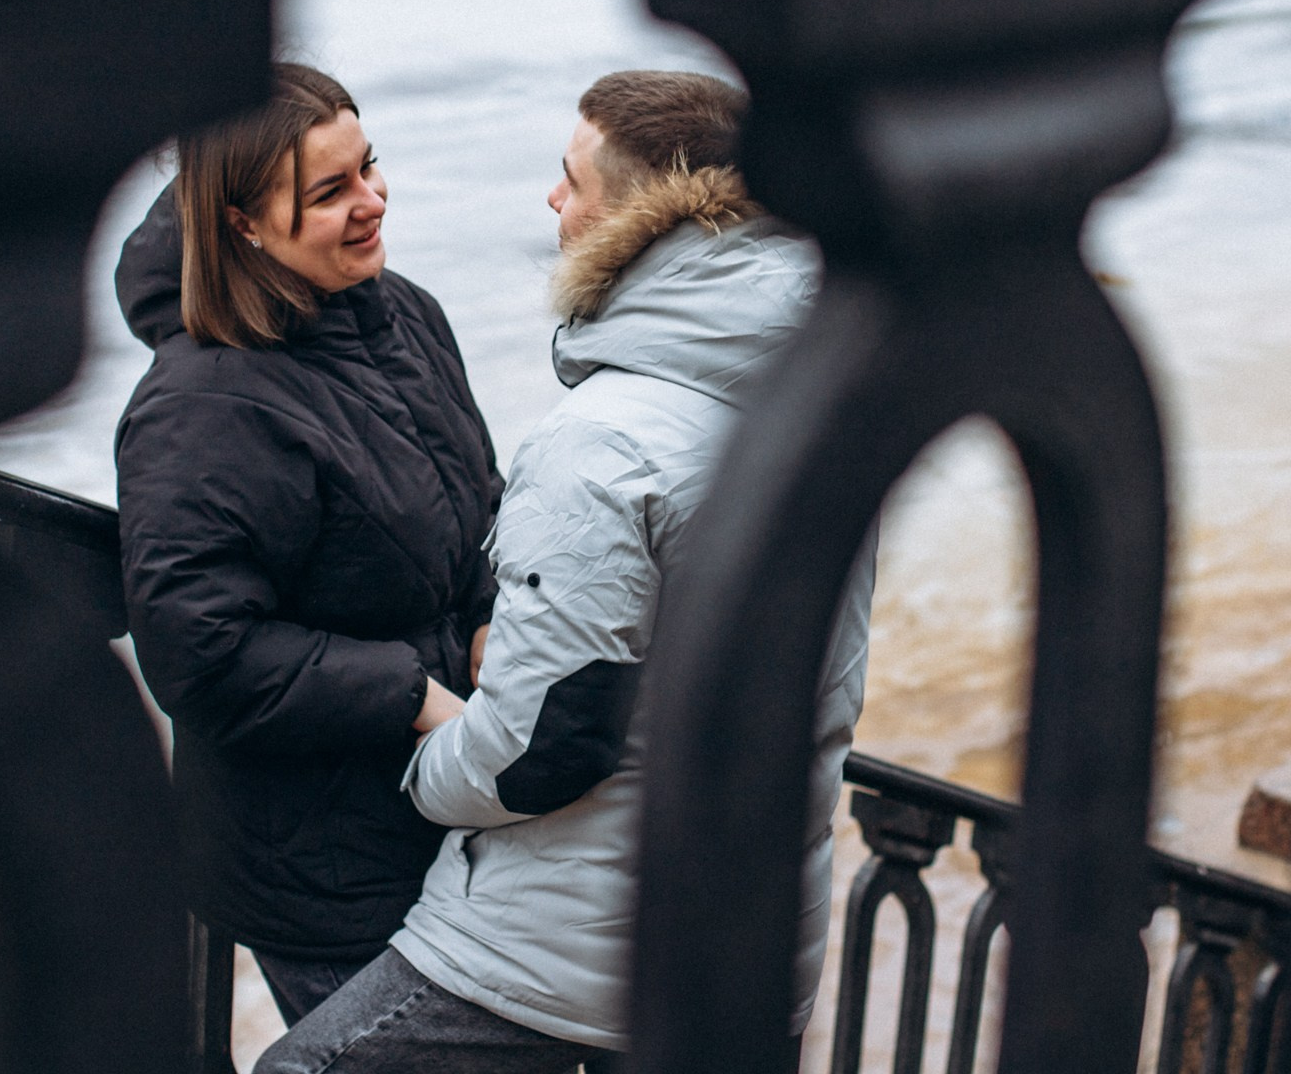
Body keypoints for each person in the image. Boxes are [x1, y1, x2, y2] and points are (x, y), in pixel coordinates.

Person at [255, 70, 874, 1074]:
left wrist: (419, 771)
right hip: (756, 946)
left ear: (639, 213)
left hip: (568, 955)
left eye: (571, 177)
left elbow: (538, 749)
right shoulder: (821, 398)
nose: (553, 201)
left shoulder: (604, 440)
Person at [114, 64, 502, 1025]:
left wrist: (492, 616)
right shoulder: (199, 405)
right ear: (242, 223)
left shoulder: (403, 311)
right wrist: (412, 697)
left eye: (369, 168)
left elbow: (472, 513)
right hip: (324, 869)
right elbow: (200, 656)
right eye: (330, 193)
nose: (371, 203)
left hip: (448, 819)